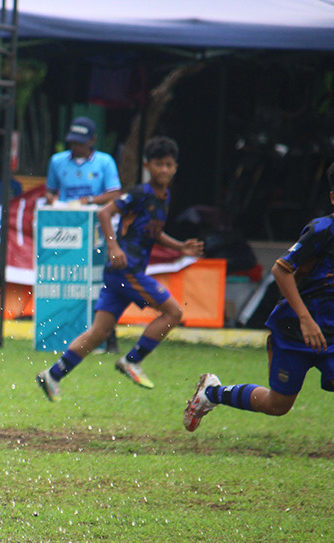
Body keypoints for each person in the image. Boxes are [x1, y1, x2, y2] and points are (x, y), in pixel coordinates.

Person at [36, 136, 203, 402]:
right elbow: (104, 213)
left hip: (120, 275)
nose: (163, 170)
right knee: (173, 312)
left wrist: (180, 247)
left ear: (175, 167)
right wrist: (113, 248)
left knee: (98, 333)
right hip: (127, 272)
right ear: (148, 165)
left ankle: (53, 374)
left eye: (168, 165)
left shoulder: (165, 196)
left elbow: (155, 233)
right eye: (158, 164)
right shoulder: (139, 194)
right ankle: (132, 360)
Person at [184, 162, 334, 432]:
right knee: (278, 405)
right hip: (295, 330)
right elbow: (281, 270)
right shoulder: (322, 231)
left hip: (330, 333)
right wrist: (306, 319)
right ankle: (212, 393)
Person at [46, 116, 124, 352]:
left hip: (98, 230)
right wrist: (58, 204)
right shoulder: (57, 161)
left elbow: (115, 193)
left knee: (102, 282)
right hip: (66, 229)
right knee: (67, 279)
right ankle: (61, 332)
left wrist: (87, 201)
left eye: (81, 143)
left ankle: (108, 335)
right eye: (73, 143)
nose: (76, 147)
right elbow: (50, 192)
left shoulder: (104, 162)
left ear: (93, 140)